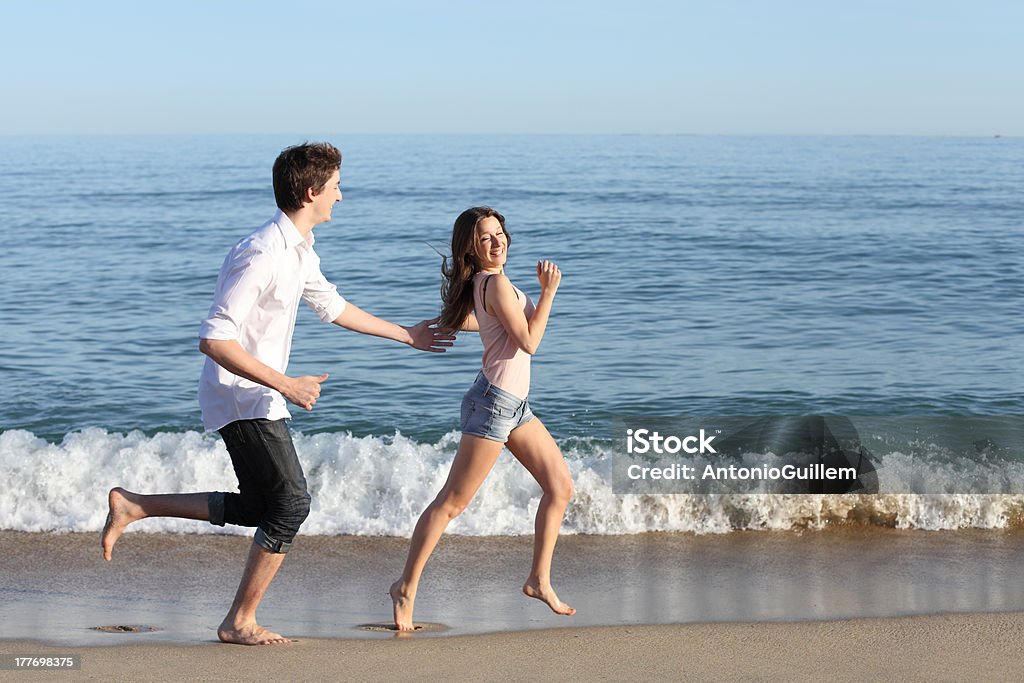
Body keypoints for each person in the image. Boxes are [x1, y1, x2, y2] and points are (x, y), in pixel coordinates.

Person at [101, 142, 454, 645]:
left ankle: (135, 505)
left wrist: (408, 335)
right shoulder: (263, 253)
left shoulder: (298, 251)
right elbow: (214, 337)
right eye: (335, 187)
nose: (341, 196)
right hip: (242, 395)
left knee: (261, 506)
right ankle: (238, 620)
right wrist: (285, 383)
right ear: (311, 191)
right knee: (290, 504)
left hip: (256, 394)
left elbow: (332, 306)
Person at [390, 206, 576, 630]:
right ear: (471, 248)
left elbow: (492, 323)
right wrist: (548, 292)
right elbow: (529, 342)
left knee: (560, 487)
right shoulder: (494, 282)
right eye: (486, 238)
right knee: (451, 504)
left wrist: (466, 325)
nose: (498, 242)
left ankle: (538, 580)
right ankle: (405, 587)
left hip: (513, 406)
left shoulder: (484, 283)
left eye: (500, 233)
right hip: (494, 405)